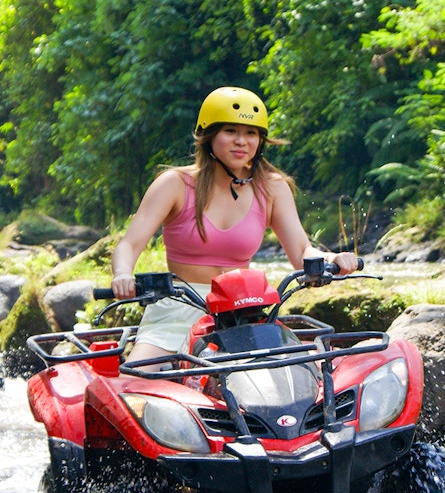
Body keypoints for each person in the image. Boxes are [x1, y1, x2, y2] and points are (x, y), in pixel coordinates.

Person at [110, 86, 360, 364]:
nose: (241, 141)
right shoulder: (175, 184)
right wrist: (123, 274)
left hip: (244, 311)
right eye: (230, 131)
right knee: (139, 377)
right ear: (209, 136)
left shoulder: (273, 188)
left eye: (251, 133)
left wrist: (331, 259)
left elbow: (302, 250)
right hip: (178, 307)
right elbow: (130, 244)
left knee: (300, 377)